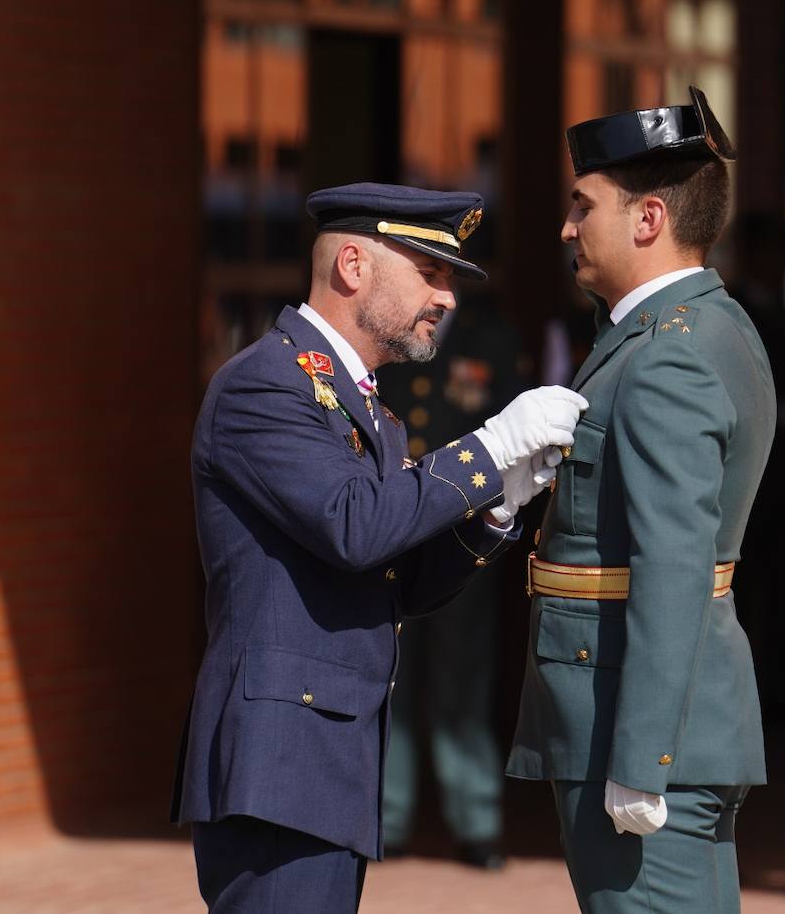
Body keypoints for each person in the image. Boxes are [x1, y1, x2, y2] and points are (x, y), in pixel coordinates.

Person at [170, 182, 587, 913]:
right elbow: (356, 524)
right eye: (430, 273)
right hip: (279, 766)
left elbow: (400, 580)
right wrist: (490, 444)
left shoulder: (368, 408)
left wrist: (495, 507)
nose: (448, 297)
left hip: (323, 765)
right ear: (354, 266)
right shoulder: (264, 385)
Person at [506, 88, 777, 913]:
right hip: (655, 714)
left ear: (648, 218)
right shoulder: (703, 326)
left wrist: (643, 755)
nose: (567, 226)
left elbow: (674, 562)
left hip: (635, 725)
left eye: (583, 205)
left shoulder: (665, 358)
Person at [379, 303, 525, 869]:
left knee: (462, 684)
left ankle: (477, 821)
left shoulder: (491, 338)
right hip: (391, 529)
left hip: (464, 537)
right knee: (392, 679)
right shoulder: (389, 332)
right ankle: (387, 818)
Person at [727, 212, 785, 728]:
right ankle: (752, 706)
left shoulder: (779, 310)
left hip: (783, 475)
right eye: (778, 254)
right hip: (750, 479)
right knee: (748, 592)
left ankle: (782, 697)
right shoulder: (735, 312)